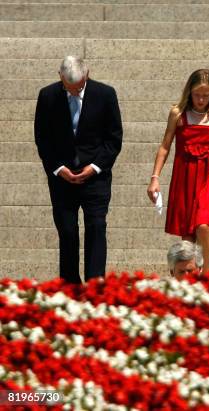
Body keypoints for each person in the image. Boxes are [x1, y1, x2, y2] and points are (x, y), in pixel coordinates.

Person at [147, 69, 209, 272]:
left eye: (206, 95)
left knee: (202, 225)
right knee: (188, 236)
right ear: (189, 92)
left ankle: (206, 273)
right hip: (183, 177)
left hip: (208, 177)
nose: (201, 99)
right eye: (197, 94)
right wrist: (155, 178)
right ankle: (187, 275)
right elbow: (165, 146)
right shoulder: (178, 114)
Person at [34, 56, 123, 284]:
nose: (75, 92)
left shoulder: (105, 95)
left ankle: (95, 285)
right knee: (67, 231)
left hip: (95, 177)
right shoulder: (48, 96)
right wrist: (58, 168)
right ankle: (70, 285)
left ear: (87, 75)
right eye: (69, 87)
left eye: (79, 87)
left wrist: (94, 168)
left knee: (96, 227)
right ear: (60, 77)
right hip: (62, 178)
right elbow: (42, 138)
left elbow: (113, 139)